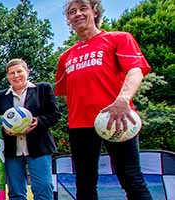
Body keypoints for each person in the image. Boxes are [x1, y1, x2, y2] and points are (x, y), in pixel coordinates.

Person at [55, 0, 152, 199]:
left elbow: (135, 70)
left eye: (83, 8)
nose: (78, 14)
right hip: (80, 126)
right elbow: (65, 93)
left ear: (95, 11)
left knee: (131, 179)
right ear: (68, 20)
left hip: (117, 119)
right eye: (72, 11)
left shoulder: (118, 39)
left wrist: (123, 100)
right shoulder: (66, 57)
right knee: (84, 183)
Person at [0, 59, 60, 200]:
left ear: (27, 72)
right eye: (12, 73)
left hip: (39, 148)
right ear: (7, 76)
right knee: (16, 193)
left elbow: (55, 114)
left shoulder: (43, 89)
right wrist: (3, 128)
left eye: (19, 71)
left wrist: (39, 122)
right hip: (12, 150)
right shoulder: (0, 96)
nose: (16, 75)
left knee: (43, 188)